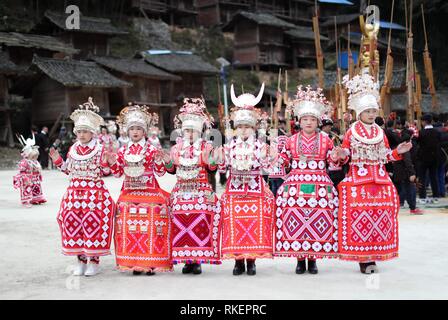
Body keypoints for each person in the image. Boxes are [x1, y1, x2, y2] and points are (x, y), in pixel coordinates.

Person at [338, 73, 412, 274]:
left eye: (373, 111)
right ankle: (364, 257)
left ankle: (375, 253)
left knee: (380, 215)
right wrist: (342, 153)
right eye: (367, 111)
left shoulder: (380, 133)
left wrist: (399, 152)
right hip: (358, 181)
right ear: (359, 113)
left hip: (380, 181)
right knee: (360, 217)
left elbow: (386, 156)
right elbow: (344, 157)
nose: (371, 114)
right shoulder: (351, 132)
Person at [274, 85, 344, 274]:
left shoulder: (326, 140)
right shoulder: (291, 140)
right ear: (299, 120)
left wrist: (338, 155)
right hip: (295, 182)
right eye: (305, 119)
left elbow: (332, 161)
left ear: (318, 121)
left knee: (317, 219)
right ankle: (299, 258)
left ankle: (313, 259)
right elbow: (284, 160)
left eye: (312, 119)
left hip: (320, 182)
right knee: (294, 217)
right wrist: (275, 155)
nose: (308, 122)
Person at [49, 97, 115, 277]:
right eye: (79, 131)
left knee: (93, 223)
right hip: (74, 194)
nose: (82, 135)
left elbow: (107, 171)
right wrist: (57, 160)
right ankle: (80, 260)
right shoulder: (73, 149)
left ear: (92, 132)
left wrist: (110, 162)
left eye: (86, 131)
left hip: (94, 193)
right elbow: (68, 170)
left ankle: (93, 261)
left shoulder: (100, 149)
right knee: (72, 223)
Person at [106, 104, 172, 275]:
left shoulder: (151, 149)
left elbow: (160, 173)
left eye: (138, 129)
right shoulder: (122, 150)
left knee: (154, 217)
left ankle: (149, 262)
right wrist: (113, 162)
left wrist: (159, 161)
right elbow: (118, 174)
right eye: (132, 128)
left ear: (145, 131)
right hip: (128, 192)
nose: (135, 132)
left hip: (150, 192)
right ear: (127, 131)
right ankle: (132, 262)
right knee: (125, 220)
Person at [217, 83, 274, 276]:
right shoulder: (228, 146)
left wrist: (269, 156)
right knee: (235, 225)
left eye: (247, 127)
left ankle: (251, 260)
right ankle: (237, 260)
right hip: (234, 191)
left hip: (255, 190)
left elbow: (269, 168)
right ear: (234, 128)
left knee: (253, 225)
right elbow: (222, 168)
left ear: (253, 128)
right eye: (239, 126)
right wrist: (217, 159)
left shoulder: (260, 145)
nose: (243, 130)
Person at [165, 97, 221, 274]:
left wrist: (213, 159)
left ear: (200, 132)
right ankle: (184, 259)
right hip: (181, 189)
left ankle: (196, 259)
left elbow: (212, 168)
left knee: (200, 217)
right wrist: (167, 163)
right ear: (182, 131)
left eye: (193, 131)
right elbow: (172, 170)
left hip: (201, 189)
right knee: (178, 218)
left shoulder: (206, 147)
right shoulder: (176, 149)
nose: (190, 134)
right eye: (187, 130)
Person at [392, 131, 423, 215]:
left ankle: (402, 203)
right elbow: (408, 162)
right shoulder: (405, 149)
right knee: (410, 190)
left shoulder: (398, 147)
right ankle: (413, 208)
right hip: (405, 172)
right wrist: (412, 173)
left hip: (399, 172)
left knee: (403, 189)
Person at [13, 134, 46, 207]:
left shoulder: (35, 161)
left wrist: (38, 170)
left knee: (36, 187)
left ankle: (36, 199)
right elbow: (22, 170)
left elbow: (38, 167)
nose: (36, 157)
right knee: (26, 189)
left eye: (36, 156)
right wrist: (25, 177)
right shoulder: (25, 161)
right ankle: (26, 201)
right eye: (34, 156)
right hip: (26, 177)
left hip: (34, 176)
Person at [417, 114, 441, 204]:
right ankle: (435, 196)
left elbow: (418, 144)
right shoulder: (437, 132)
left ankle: (422, 196)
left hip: (423, 158)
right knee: (434, 177)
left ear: (423, 122)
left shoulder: (421, 132)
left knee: (422, 177)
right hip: (434, 158)